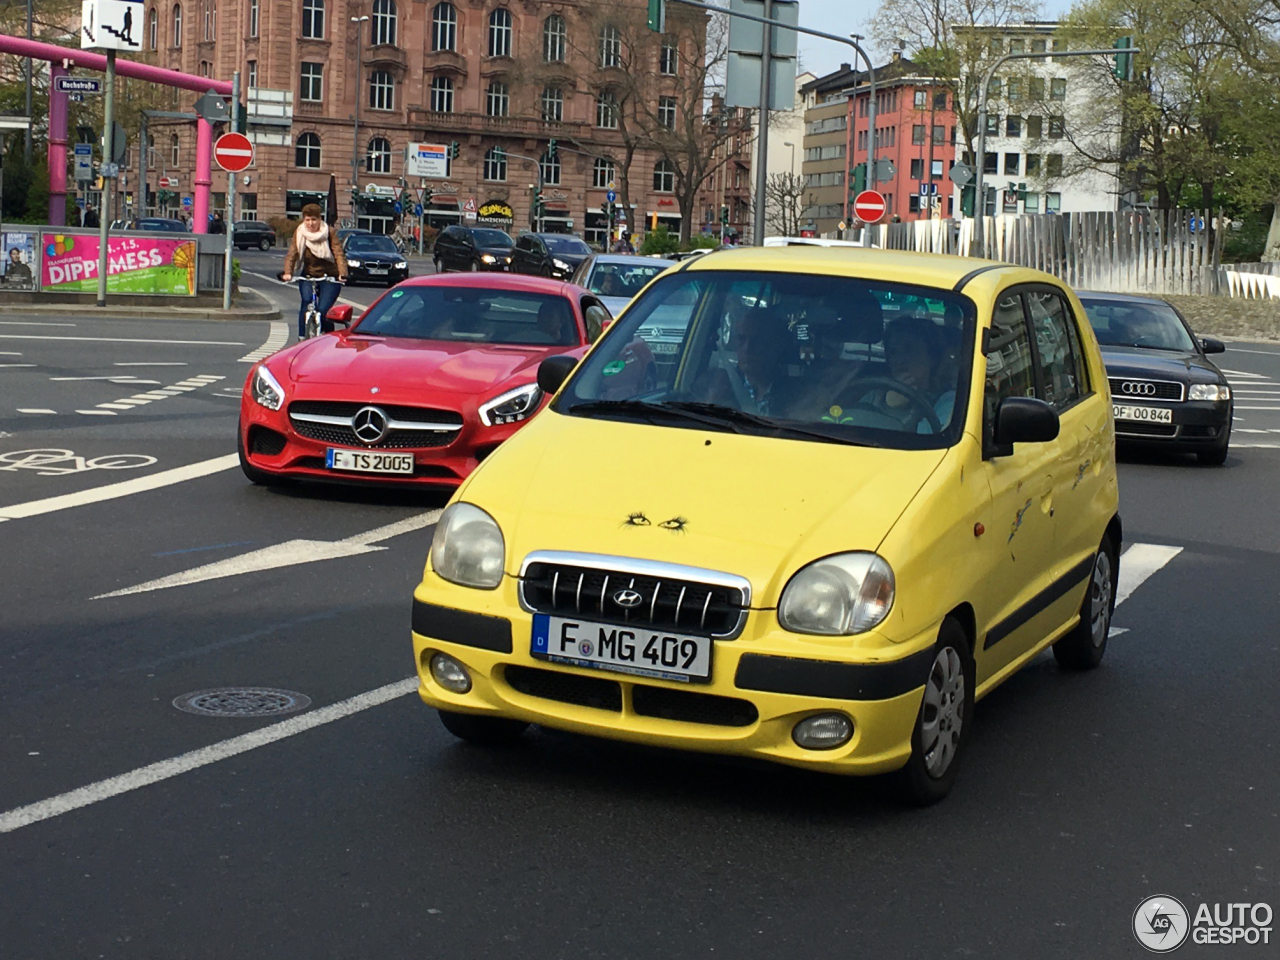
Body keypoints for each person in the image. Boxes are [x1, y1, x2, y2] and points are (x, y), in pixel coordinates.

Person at [282, 203, 348, 337]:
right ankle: (302, 338)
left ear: (319, 219)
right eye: (307, 220)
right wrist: (288, 273)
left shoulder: (329, 232)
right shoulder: (300, 233)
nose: (310, 223)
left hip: (329, 276)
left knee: (323, 311)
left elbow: (338, 253)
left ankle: (329, 338)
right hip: (309, 275)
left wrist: (342, 274)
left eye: (314, 219)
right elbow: (292, 253)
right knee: (306, 303)